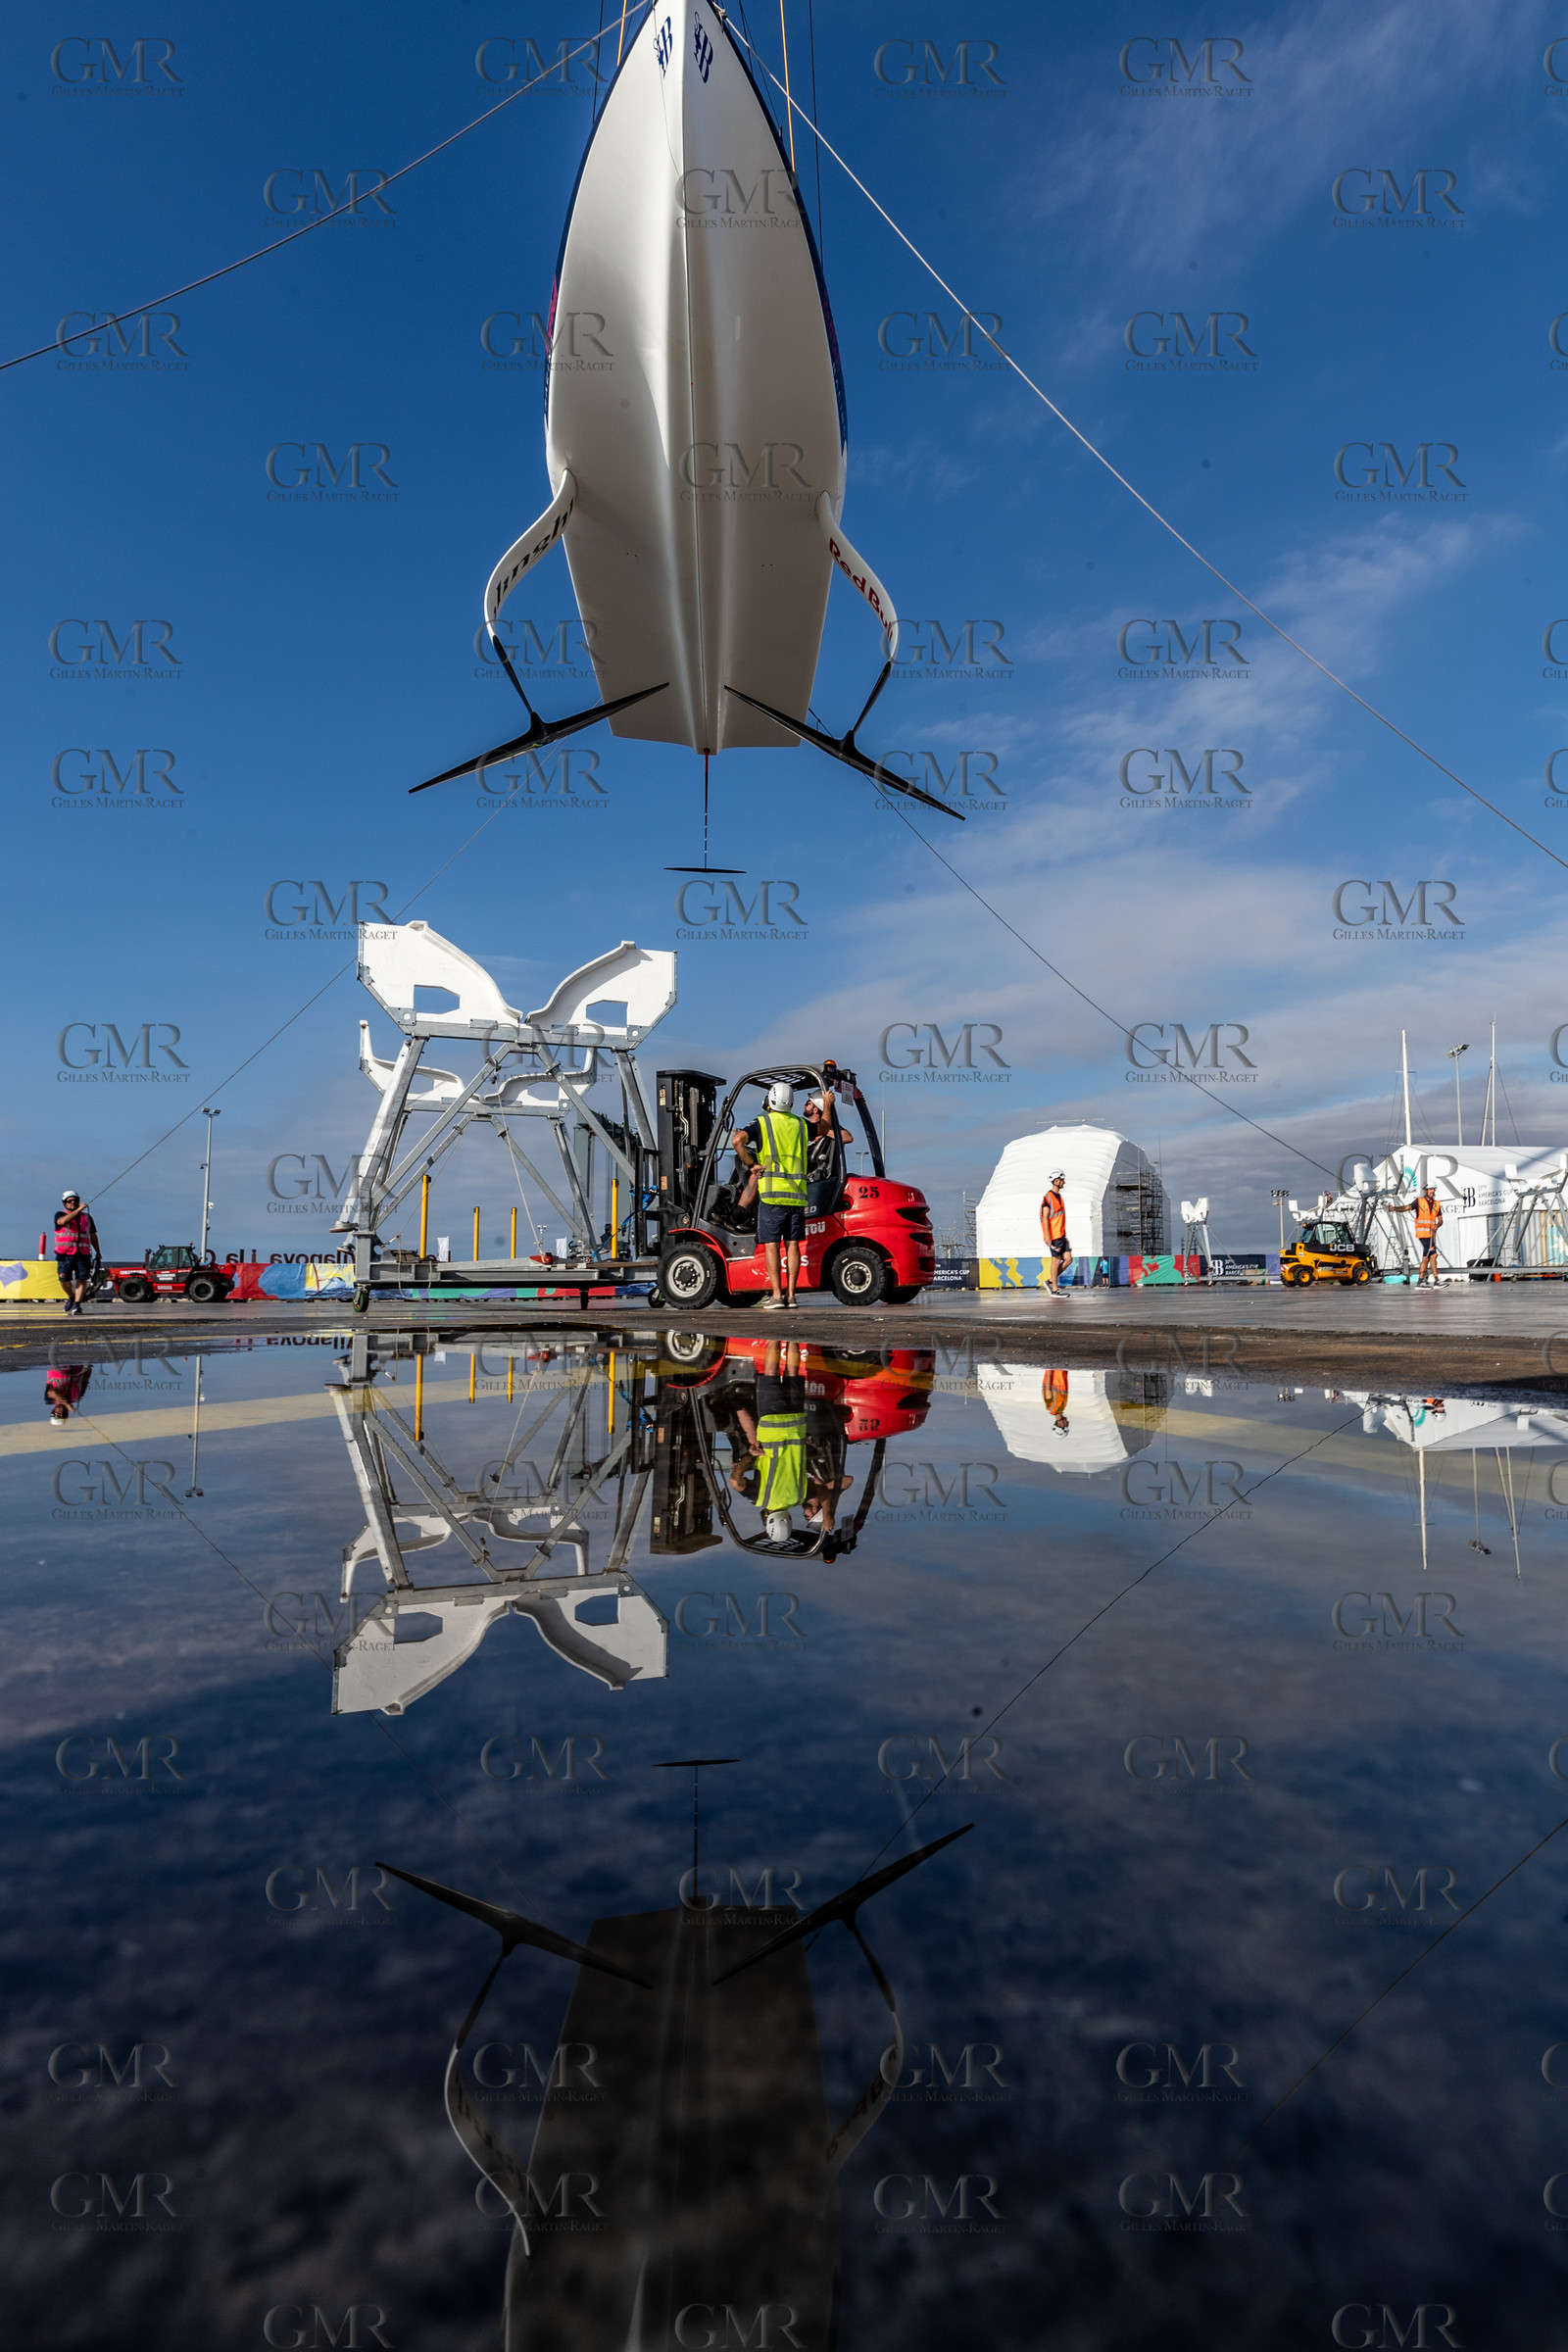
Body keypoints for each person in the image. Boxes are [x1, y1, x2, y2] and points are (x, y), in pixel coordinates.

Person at [733, 1079, 809, 1308]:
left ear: (770, 1100)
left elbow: (737, 1141)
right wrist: (827, 1105)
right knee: (793, 1245)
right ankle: (791, 1296)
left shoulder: (763, 1122)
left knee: (772, 1245)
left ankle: (777, 1295)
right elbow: (824, 1128)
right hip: (796, 1195)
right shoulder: (801, 1124)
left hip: (772, 1196)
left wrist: (751, 1165)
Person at [728, 1340, 808, 1541]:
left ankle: (794, 1335)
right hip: (772, 1426)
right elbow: (735, 1482)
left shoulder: (799, 1497)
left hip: (796, 1425)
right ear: (767, 1519)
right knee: (770, 1374)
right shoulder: (760, 1499)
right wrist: (748, 1456)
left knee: (792, 1373)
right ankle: (774, 1335)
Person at [53, 1191, 99, 1315]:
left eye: (75, 1200)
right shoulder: (60, 1214)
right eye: (70, 1201)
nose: (73, 1202)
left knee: (82, 1279)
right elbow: (62, 1222)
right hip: (65, 1254)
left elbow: (93, 1235)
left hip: (83, 1254)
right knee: (64, 1280)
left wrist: (98, 1252)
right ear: (64, 1203)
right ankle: (71, 1296)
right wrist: (78, 1210)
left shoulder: (87, 1218)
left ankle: (77, 1304)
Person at [1392, 1183, 1443, 1286]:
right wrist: (1394, 1209)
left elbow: (1440, 1220)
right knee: (1432, 1255)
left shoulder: (1437, 1204)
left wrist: (1437, 1225)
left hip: (1431, 1235)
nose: (1432, 1191)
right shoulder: (1419, 1201)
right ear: (1426, 1190)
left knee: (1428, 1257)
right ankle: (1435, 1280)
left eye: (1433, 1189)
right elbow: (1406, 1208)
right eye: (1430, 1189)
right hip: (1423, 1234)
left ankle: (1421, 1281)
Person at [1040, 1171, 1073, 1295]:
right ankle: (1054, 1289)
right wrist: (1048, 1236)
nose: (1064, 1182)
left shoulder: (1059, 1196)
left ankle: (1050, 1280)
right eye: (1062, 1180)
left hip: (1061, 1234)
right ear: (1057, 1181)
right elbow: (1045, 1217)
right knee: (1056, 1260)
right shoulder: (1048, 1198)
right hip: (1054, 1235)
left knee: (1068, 1259)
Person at [1042, 1367, 1069, 1435]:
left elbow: (1048, 1389)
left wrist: (1050, 1368)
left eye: (1066, 1425)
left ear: (1060, 1424)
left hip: (1055, 1369)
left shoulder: (1051, 1408)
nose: (1068, 1422)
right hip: (1061, 1370)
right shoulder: (1061, 1408)